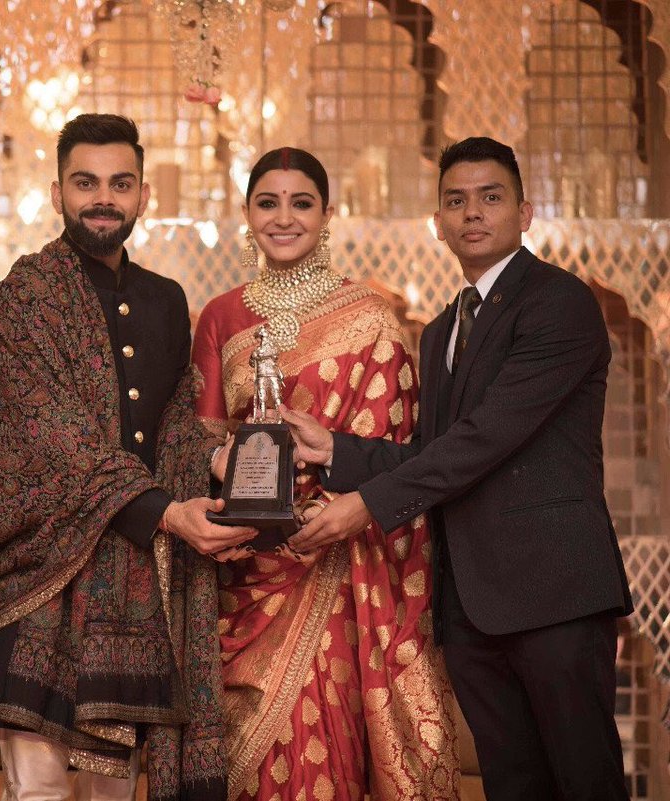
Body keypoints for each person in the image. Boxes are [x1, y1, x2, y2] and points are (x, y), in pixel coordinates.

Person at [284, 137, 632, 800]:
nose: (472, 212)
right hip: (473, 606)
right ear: (439, 222)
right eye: (456, 200)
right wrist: (335, 451)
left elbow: (482, 441)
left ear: (526, 213)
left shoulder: (560, 304)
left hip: (556, 595)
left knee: (584, 781)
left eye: (490, 197)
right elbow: (434, 450)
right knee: (512, 784)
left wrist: (367, 505)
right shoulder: (445, 328)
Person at [0, 113, 254, 801]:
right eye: (86, 182)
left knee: (114, 791)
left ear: (143, 195)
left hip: (136, 586)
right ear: (57, 192)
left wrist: (222, 465)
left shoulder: (164, 300)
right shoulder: (25, 293)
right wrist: (167, 512)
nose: (104, 197)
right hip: (45, 576)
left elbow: (177, 424)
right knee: (38, 791)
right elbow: (50, 429)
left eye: (120, 184)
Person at [191, 147, 459, 800]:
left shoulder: (373, 321)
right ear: (247, 213)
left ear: (327, 214)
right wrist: (219, 461)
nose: (284, 218)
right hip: (244, 571)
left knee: (324, 762)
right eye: (268, 202)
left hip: (340, 576)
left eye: (301, 202)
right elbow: (196, 439)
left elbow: (405, 462)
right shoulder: (220, 316)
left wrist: (336, 510)